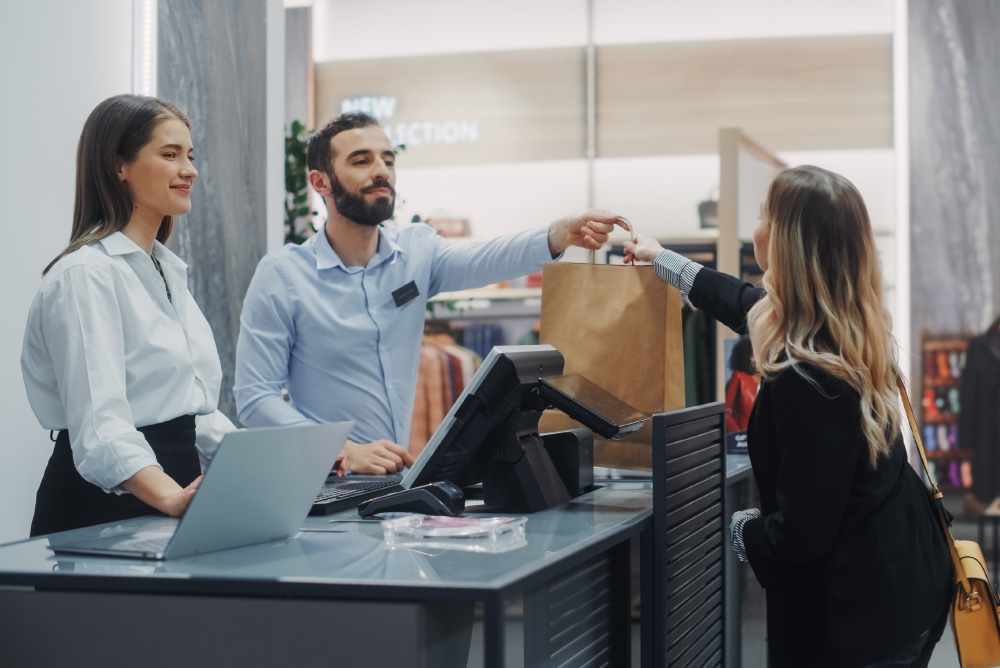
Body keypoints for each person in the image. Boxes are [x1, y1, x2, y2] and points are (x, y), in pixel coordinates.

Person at [624, 165, 952, 667]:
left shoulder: (809, 375)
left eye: (762, 215)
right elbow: (743, 301)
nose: (756, 226)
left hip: (861, 614)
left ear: (785, 243)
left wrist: (741, 529)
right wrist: (664, 260)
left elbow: (803, 533)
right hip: (903, 578)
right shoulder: (844, 330)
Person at [234, 111, 626, 474]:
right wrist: (341, 450)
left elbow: (483, 258)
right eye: (361, 161)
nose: (381, 171)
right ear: (320, 182)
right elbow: (254, 399)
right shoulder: (283, 275)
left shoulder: (417, 252)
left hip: (391, 478)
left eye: (388, 160)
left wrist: (556, 235)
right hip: (319, 480)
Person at [22, 95, 237, 537]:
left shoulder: (164, 270)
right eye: (170, 154)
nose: (190, 170)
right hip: (104, 510)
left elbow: (190, 411)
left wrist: (272, 464)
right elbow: (101, 427)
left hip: (169, 492)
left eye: (190, 156)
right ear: (118, 165)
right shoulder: (84, 275)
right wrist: (170, 497)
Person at [724, 335, 757, 432]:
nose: (757, 360)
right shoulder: (739, 377)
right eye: (753, 355)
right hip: (742, 441)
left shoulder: (772, 381)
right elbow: (726, 413)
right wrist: (739, 433)